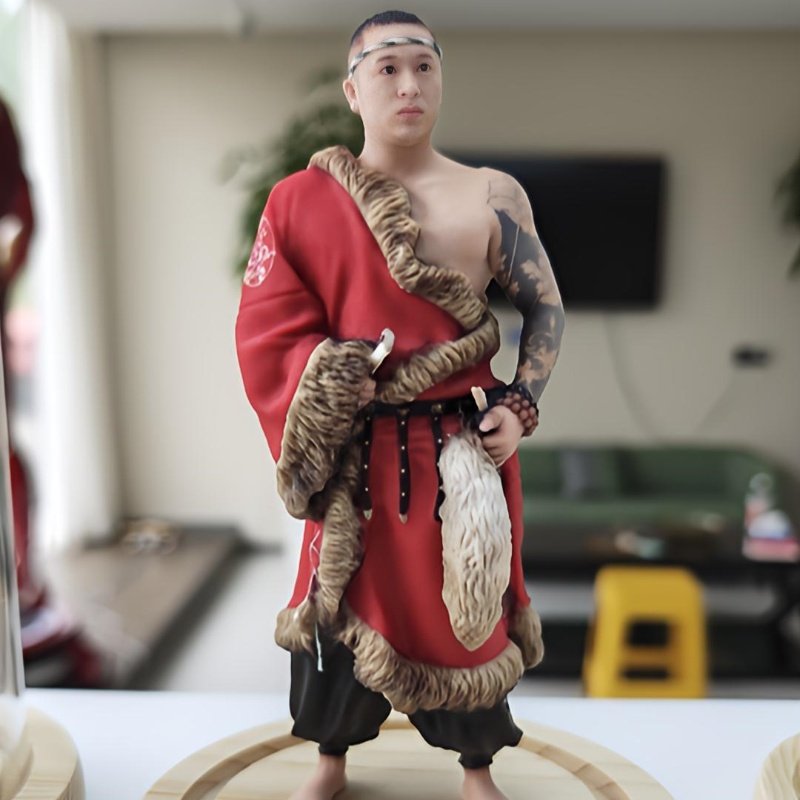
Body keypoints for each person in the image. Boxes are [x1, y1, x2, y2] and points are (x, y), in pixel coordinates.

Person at [235, 10, 566, 799]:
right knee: (337, 607)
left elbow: (545, 308)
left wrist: (521, 403)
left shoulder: (491, 194)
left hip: (456, 455)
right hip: (357, 462)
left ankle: (477, 766)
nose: (409, 84)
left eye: (424, 66)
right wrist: (329, 376)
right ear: (353, 90)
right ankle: (330, 758)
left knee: (469, 611)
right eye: (387, 68)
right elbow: (264, 328)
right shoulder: (300, 201)